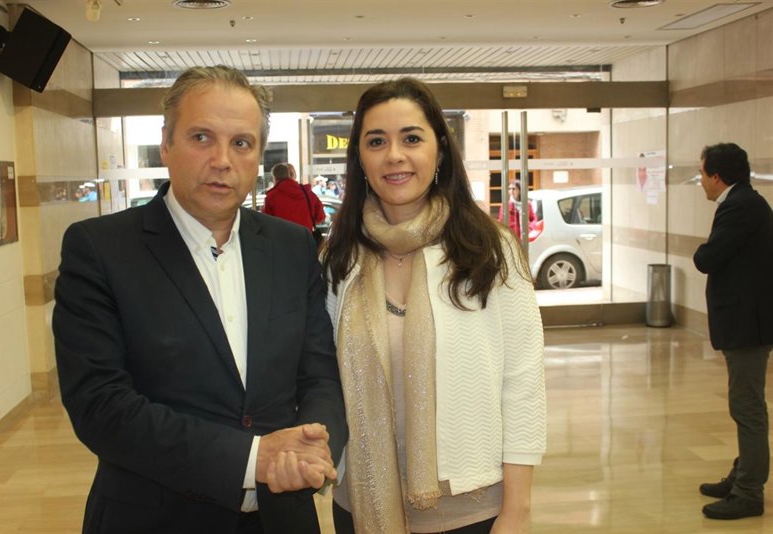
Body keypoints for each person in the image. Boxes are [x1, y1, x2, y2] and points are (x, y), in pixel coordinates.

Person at [53, 66, 347, 534]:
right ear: (166, 144)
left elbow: (319, 373)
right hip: (153, 517)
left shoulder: (291, 246)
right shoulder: (100, 248)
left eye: (241, 143)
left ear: (258, 156)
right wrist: (253, 458)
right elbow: (100, 405)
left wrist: (314, 443)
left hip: (282, 518)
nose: (222, 160)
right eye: (202, 137)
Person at [322, 78, 546, 534]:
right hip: (362, 504)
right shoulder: (338, 258)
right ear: (359, 158)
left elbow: (523, 379)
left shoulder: (489, 249)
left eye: (411, 138)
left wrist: (517, 510)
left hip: (470, 506)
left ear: (440, 151)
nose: (394, 155)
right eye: (376, 142)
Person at [694, 142, 773, 520]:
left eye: (702, 174)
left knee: (747, 407)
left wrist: (702, 251)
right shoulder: (744, 202)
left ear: (717, 176)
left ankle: (748, 492)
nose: (700, 181)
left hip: (748, 326)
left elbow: (708, 258)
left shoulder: (740, 206)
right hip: (746, 323)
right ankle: (743, 475)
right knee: (745, 404)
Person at [262, 162, 326, 231]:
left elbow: (266, 223)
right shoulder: (307, 193)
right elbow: (320, 216)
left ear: (275, 178)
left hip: (280, 236)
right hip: (304, 236)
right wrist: (307, 222)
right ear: (292, 176)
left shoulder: (271, 196)